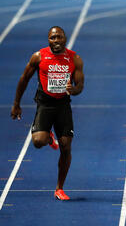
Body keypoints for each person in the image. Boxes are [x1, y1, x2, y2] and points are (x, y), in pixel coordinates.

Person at [10, 26, 85, 201]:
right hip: (44, 104)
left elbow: (80, 86)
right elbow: (24, 79)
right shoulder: (39, 57)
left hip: (63, 105)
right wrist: (16, 104)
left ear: (65, 39)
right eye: (52, 38)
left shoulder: (75, 59)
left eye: (59, 37)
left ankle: (59, 188)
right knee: (37, 142)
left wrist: (73, 90)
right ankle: (49, 137)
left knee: (66, 147)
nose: (56, 40)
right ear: (48, 40)